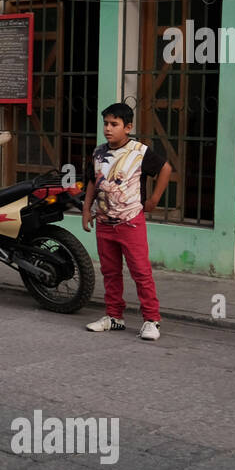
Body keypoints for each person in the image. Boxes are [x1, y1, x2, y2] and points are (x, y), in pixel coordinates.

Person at [81, 102, 172, 341]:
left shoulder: (140, 152)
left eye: (114, 124)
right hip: (104, 223)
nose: (108, 129)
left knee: (140, 272)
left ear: (128, 127)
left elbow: (166, 169)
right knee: (110, 272)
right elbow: (92, 180)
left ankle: (152, 320)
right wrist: (86, 209)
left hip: (130, 223)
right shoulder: (98, 152)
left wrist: (153, 199)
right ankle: (114, 316)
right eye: (106, 124)